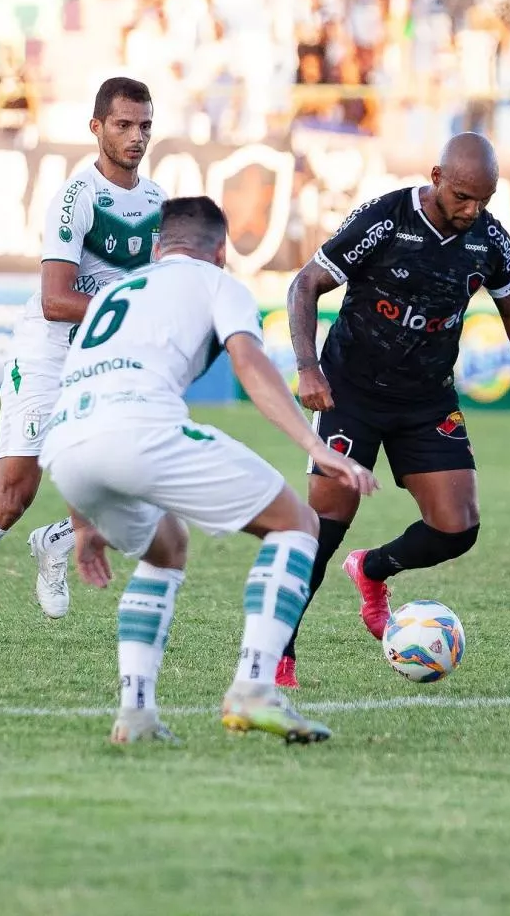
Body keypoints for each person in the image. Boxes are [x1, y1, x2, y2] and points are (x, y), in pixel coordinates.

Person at [39, 195, 378, 744]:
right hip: (141, 430)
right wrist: (316, 449)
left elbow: (79, 389)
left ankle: (137, 713)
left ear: (157, 247)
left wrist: (82, 523)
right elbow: (249, 361)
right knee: (297, 523)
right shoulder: (218, 284)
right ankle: (254, 688)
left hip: (67, 448)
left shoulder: (112, 295)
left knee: (165, 546)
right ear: (220, 251)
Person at [276, 132, 510, 688]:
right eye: (463, 196)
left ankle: (372, 569)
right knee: (322, 529)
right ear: (437, 176)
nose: (472, 210)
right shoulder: (385, 221)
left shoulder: (490, 241)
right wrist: (307, 366)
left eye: (483, 200)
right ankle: (280, 655)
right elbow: (305, 284)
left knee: (456, 527)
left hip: (426, 398)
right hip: (352, 392)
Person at [0, 76, 166, 649]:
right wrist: (133, 315)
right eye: (123, 125)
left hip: (103, 363)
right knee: (12, 495)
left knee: (147, 487)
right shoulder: (76, 196)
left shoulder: (156, 202)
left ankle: (58, 541)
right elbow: (56, 300)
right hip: (48, 355)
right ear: (96, 128)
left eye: (144, 125)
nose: (136, 136)